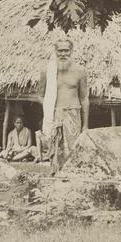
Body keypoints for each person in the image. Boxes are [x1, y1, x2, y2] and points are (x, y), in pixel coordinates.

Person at [39, 34, 89, 175]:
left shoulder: (80, 71)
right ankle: (56, 177)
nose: (63, 54)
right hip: (55, 116)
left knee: (74, 150)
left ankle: (73, 178)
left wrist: (85, 126)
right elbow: (40, 95)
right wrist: (50, 110)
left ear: (71, 51)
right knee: (56, 151)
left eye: (66, 50)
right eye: (60, 51)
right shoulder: (47, 71)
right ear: (55, 51)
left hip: (74, 116)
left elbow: (84, 98)